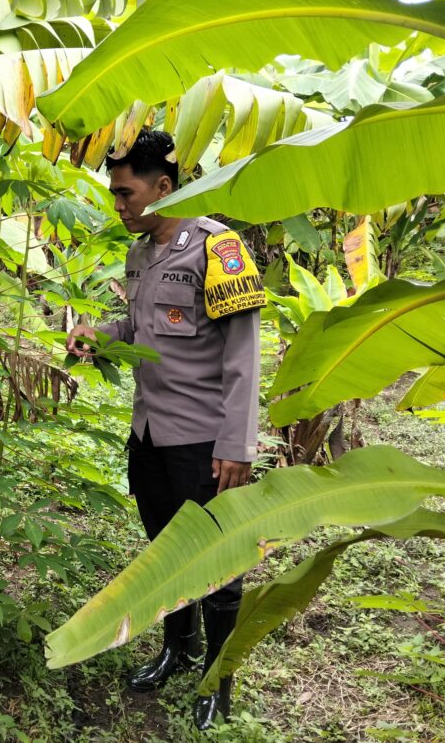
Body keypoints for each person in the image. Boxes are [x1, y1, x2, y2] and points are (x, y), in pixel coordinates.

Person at [67, 129, 263, 730]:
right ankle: (177, 650)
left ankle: (217, 681)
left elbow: (243, 355)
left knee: (215, 563)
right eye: (115, 193)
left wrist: (237, 445)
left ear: (164, 187)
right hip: (149, 436)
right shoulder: (141, 253)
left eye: (126, 194)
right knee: (163, 552)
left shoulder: (218, 249)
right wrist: (95, 336)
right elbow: (137, 323)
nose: (118, 204)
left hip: (203, 445)